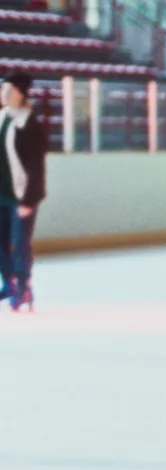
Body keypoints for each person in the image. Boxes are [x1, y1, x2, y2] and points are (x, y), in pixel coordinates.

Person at [0, 71, 45, 312]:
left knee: (19, 243)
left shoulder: (29, 122)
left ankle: (23, 285)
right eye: (2, 89)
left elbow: (35, 165)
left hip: (20, 196)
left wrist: (29, 199)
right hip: (0, 194)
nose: (3, 94)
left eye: (8, 90)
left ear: (20, 94)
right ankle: (9, 282)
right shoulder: (0, 117)